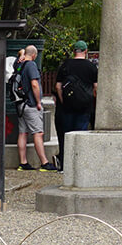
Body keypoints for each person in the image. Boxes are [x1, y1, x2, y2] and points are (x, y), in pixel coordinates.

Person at [50, 40, 97, 170]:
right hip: (84, 106)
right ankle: (79, 165)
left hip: (66, 107)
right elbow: (96, 87)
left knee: (66, 135)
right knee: (80, 135)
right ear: (85, 51)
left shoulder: (65, 65)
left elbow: (58, 86)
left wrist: (63, 100)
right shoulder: (91, 67)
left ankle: (65, 164)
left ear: (74, 51)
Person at [14, 45, 49, 170]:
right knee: (38, 133)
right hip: (30, 104)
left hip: (20, 104)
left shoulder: (19, 64)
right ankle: (44, 163)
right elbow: (34, 84)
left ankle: (23, 163)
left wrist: (22, 53)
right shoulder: (31, 65)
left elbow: (20, 53)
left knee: (22, 133)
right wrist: (38, 102)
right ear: (34, 55)